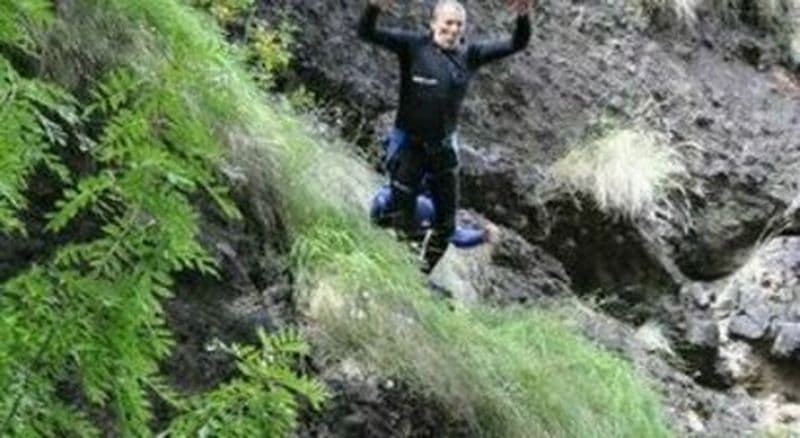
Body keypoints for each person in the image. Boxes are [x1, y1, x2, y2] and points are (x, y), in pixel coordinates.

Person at [358, 0, 533, 273]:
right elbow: (366, 33)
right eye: (448, 23)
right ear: (433, 24)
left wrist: (523, 15)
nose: (452, 29)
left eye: (458, 24)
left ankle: (420, 277)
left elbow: (517, 43)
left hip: (442, 151)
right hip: (409, 149)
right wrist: (373, 7)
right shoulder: (413, 46)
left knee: (446, 226)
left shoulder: (470, 55)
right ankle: (389, 267)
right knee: (403, 217)